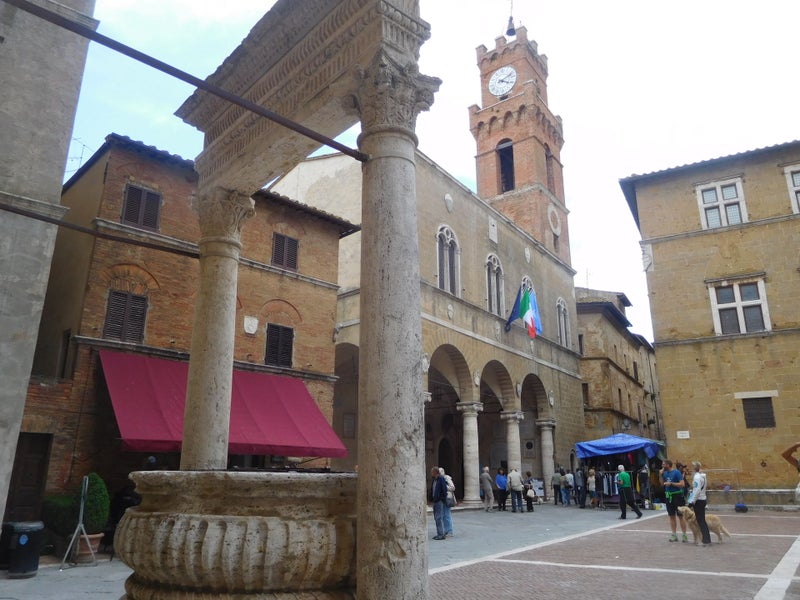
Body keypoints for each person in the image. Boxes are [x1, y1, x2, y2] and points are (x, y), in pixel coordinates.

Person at [660, 459, 688, 543]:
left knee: (680, 516)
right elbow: (662, 484)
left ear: (668, 465)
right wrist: (660, 475)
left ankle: (684, 535)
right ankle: (674, 535)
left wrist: (671, 483)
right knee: (671, 516)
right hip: (668, 496)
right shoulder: (664, 473)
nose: (662, 466)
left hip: (677, 496)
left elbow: (682, 484)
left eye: (663, 464)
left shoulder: (676, 472)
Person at [687, 461, 711, 546]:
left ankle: (706, 540)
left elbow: (696, 490)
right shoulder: (703, 476)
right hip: (703, 498)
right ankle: (706, 539)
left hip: (698, 500)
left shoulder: (697, 477)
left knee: (700, 520)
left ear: (695, 468)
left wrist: (692, 502)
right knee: (702, 520)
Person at [430, 467, 448, 540]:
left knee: (438, 517)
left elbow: (444, 489)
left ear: (435, 472)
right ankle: (440, 533)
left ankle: (441, 534)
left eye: (432, 472)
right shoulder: (435, 479)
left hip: (439, 501)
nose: (431, 473)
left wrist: (441, 498)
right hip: (435, 500)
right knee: (436, 517)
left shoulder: (441, 479)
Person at [439, 467, 455, 537]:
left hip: (447, 498)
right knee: (443, 515)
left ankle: (449, 531)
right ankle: (446, 530)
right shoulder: (438, 479)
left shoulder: (447, 478)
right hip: (441, 499)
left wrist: (444, 487)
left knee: (447, 515)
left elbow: (452, 487)